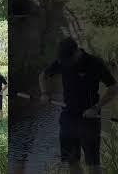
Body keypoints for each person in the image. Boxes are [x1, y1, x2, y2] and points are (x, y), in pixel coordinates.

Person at [39, 37, 118, 174]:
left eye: (69, 60)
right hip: (68, 117)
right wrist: (44, 93)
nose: (66, 64)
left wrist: (96, 108)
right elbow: (42, 76)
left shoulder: (95, 63)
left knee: (93, 165)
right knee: (72, 161)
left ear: (76, 52)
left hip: (90, 119)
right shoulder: (62, 61)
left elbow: (113, 87)